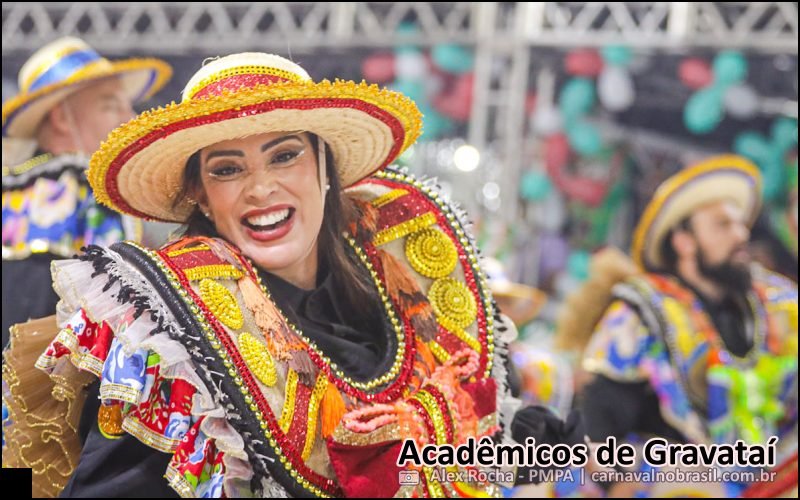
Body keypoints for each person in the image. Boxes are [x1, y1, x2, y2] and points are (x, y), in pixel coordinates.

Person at [4, 52, 580, 497]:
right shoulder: (170, 337)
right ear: (201, 197)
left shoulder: (408, 276)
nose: (261, 188)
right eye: (229, 169)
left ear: (325, 166)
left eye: (284, 155)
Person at [575, 155, 798, 497]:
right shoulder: (641, 314)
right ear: (683, 241)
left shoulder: (781, 304)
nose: (741, 235)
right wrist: (619, 481)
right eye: (722, 225)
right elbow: (599, 422)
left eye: (742, 224)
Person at [1, 37, 172, 346]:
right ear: (62, 118)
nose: (129, 118)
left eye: (127, 104)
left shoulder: (16, 190)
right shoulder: (70, 189)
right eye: (110, 105)